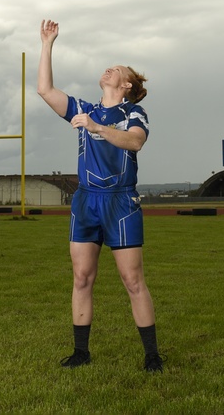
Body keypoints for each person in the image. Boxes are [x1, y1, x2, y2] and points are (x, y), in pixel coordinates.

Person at [37, 19, 164, 373]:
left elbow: (135, 141)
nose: (110, 68)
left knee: (133, 280)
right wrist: (47, 43)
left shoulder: (133, 112)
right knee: (82, 277)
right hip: (86, 201)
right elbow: (45, 90)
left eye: (118, 69)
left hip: (121, 203)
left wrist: (96, 128)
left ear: (126, 85)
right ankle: (81, 351)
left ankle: (152, 355)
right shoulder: (83, 107)